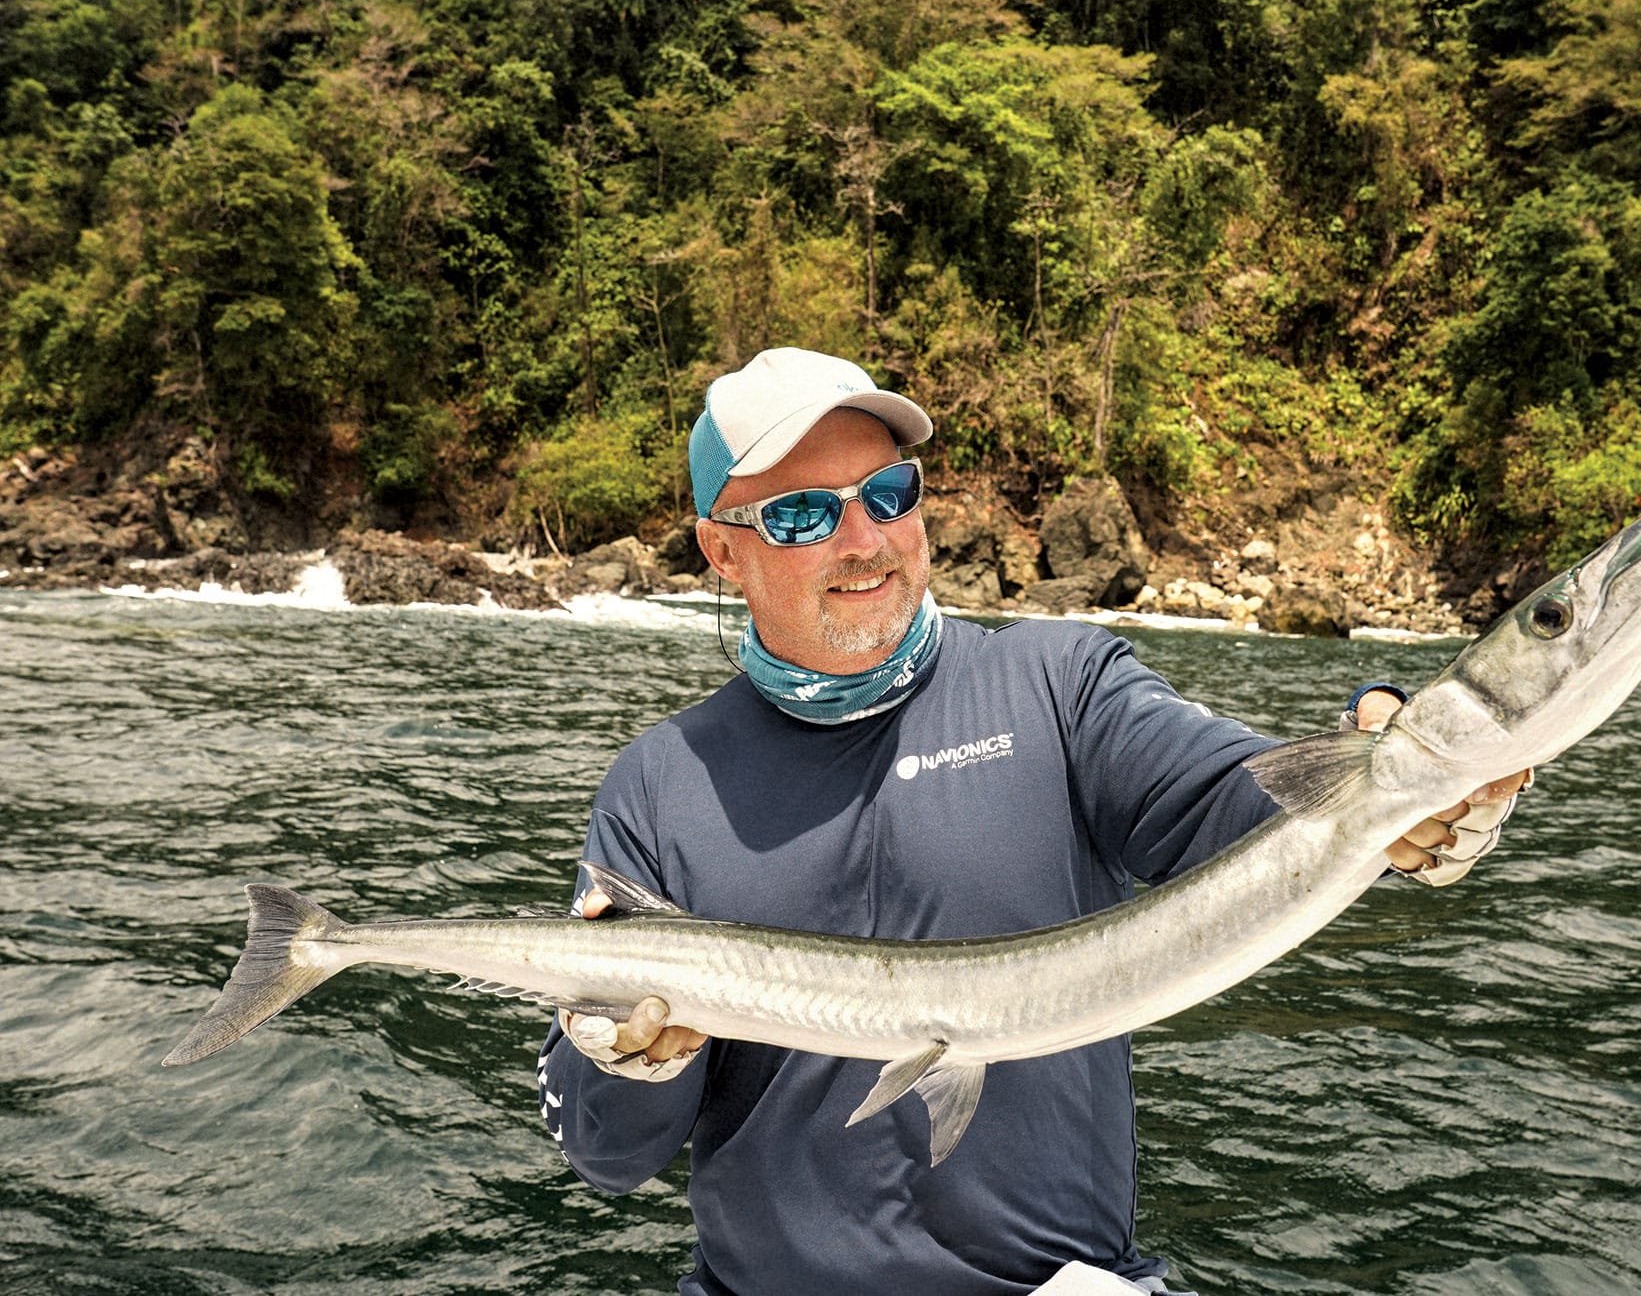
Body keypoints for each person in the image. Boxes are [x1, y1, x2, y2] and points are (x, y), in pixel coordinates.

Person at [535, 348, 1529, 1296]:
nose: (864, 541)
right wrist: (626, 1057)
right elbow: (605, 1153)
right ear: (720, 550)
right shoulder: (657, 786)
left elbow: (1248, 808)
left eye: (889, 495)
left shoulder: (1058, 684)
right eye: (800, 515)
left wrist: (1393, 778)